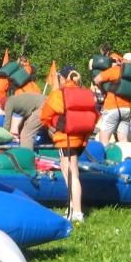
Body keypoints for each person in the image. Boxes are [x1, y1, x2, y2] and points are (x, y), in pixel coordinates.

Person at [40, 67, 99, 222]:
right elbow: (95, 115)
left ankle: (76, 212)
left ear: (62, 78)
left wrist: (52, 127)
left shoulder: (58, 94)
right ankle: (75, 210)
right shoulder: (86, 93)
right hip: (81, 139)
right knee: (74, 172)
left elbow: (45, 116)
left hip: (65, 138)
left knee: (70, 175)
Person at [93, 52, 131, 144]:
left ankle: (104, 158)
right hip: (127, 110)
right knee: (123, 140)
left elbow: (97, 79)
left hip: (112, 108)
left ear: (123, 60)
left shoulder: (115, 70)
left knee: (103, 139)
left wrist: (103, 90)